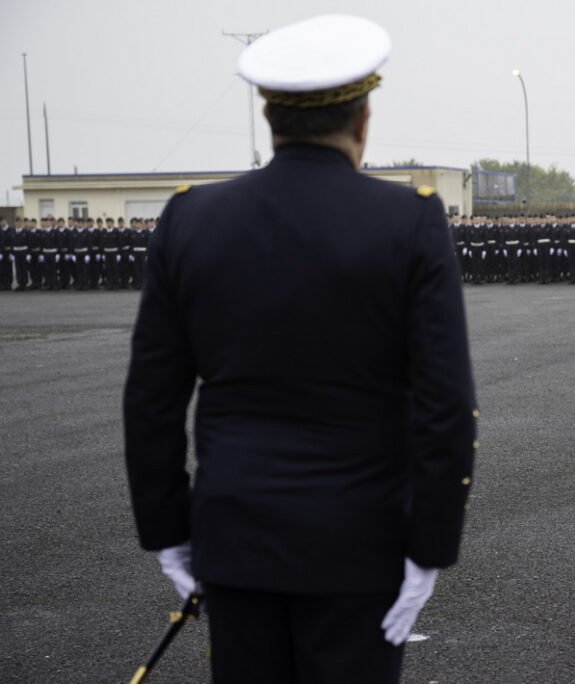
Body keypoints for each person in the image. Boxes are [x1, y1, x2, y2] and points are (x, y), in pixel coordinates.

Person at [123, 15, 477, 683]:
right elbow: (446, 404)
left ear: (269, 115)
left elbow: (151, 400)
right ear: (364, 118)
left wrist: (168, 530)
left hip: (234, 537)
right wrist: (430, 547)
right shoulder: (409, 221)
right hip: (361, 542)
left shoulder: (190, 217)